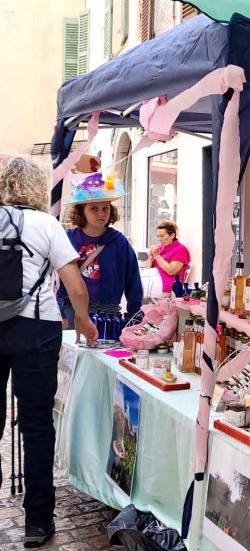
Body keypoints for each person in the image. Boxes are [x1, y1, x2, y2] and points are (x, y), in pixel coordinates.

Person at [0, 157, 98, 548]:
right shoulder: (46, 224)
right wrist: (85, 322)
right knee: (36, 424)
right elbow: (75, 287)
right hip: (36, 330)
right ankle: (38, 523)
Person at [59, 173, 143, 327]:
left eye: (105, 208)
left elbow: (133, 282)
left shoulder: (120, 242)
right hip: (72, 311)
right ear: (81, 211)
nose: (101, 213)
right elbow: (55, 279)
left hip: (107, 315)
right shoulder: (66, 239)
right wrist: (60, 311)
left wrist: (134, 316)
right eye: (94, 209)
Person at [145, 221, 190, 294]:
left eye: (162, 236)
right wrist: (150, 257)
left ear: (172, 235)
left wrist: (157, 255)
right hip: (153, 286)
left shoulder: (180, 250)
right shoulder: (160, 248)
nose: (159, 239)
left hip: (168, 289)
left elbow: (171, 271)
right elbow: (147, 269)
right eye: (158, 236)